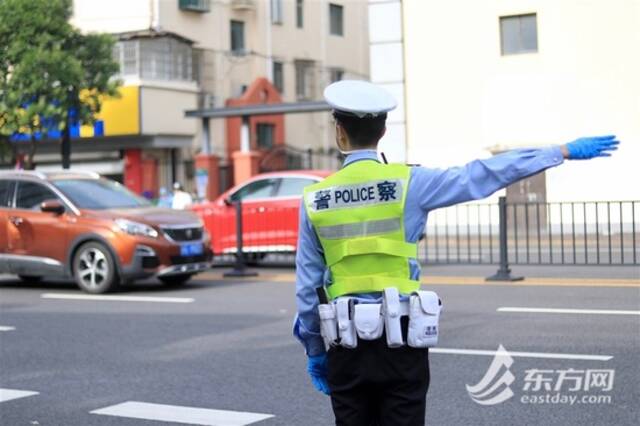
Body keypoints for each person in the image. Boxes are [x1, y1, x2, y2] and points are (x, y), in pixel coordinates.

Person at [293, 80, 619, 426]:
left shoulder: (315, 199)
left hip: (346, 344)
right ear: (383, 131)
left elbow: (306, 288)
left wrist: (315, 351)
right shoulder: (410, 183)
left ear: (339, 133)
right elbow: (481, 174)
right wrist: (560, 151)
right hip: (401, 339)